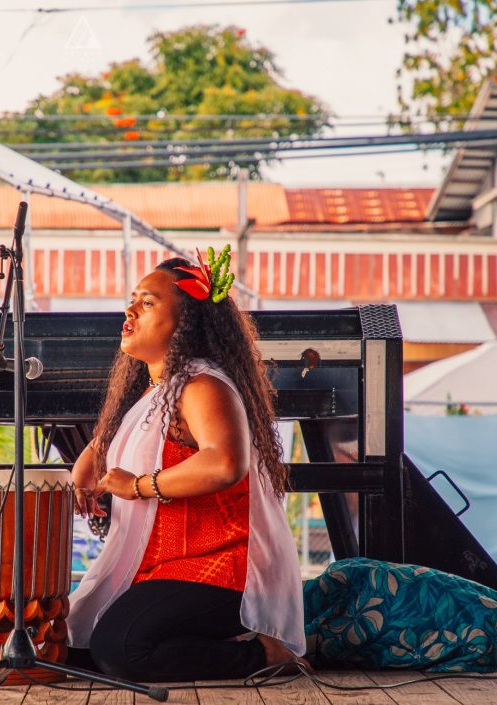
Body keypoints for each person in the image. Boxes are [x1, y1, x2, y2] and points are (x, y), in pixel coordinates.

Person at [66, 248, 308, 682]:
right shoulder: (154, 391)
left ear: (185, 324)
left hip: (224, 567)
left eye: (147, 303)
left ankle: (263, 655)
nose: (130, 310)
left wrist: (138, 486)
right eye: (132, 300)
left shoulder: (201, 385)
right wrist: (84, 475)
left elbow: (225, 462)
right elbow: (106, 442)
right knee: (73, 647)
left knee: (119, 650)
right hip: (165, 567)